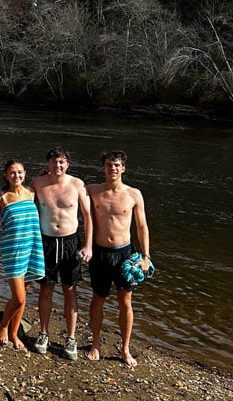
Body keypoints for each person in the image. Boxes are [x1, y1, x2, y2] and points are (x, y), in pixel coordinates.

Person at [87, 150, 150, 369]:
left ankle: (125, 348)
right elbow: (64, 193)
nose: (112, 168)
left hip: (125, 253)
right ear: (103, 168)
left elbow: (142, 227)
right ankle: (95, 343)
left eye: (116, 165)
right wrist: (45, 176)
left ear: (123, 168)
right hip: (100, 252)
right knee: (98, 298)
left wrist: (146, 257)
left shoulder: (134, 194)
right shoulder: (92, 191)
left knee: (125, 301)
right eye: (108, 164)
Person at [31, 147, 93, 361]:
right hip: (46, 241)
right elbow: (25, 205)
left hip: (70, 242)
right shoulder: (37, 184)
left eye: (62, 162)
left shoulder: (77, 184)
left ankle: (71, 337)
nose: (58, 165)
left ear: (68, 164)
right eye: (54, 162)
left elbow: (88, 216)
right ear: (48, 163)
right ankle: (43, 333)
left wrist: (88, 246)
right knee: (46, 289)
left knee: (70, 289)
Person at [0, 160, 45, 351]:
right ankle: (3, 326)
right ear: (6, 175)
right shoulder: (2, 197)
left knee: (25, 292)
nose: (16, 176)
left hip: (32, 246)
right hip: (12, 249)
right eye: (12, 173)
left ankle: (14, 332)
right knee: (19, 297)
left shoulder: (31, 193)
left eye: (20, 172)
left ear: (25, 173)